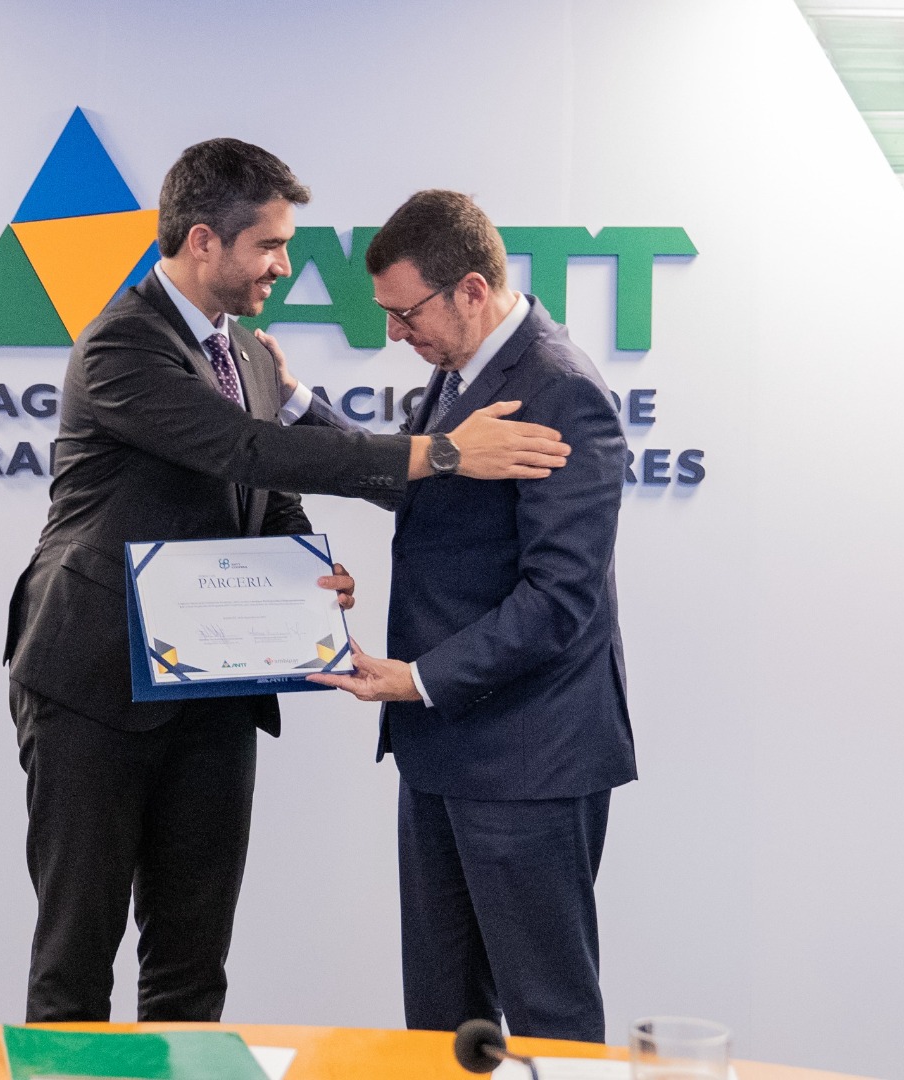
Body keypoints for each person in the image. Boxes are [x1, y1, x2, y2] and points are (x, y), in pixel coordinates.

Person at [2, 143, 572, 1023]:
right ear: (204, 241)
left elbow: (268, 495)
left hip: (212, 694)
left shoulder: (252, 357)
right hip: (92, 686)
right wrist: (443, 453)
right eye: (269, 245)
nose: (283, 264)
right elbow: (248, 449)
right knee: (75, 966)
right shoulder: (121, 344)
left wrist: (304, 570)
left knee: (192, 964)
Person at [304, 189, 636, 1042]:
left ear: (473, 291)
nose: (393, 333)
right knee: (442, 1020)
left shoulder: (561, 390)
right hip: (444, 749)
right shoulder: (461, 373)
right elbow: (431, 490)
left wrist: (418, 679)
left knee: (548, 1017)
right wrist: (301, 408)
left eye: (405, 313)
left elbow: (559, 599)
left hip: (528, 759)